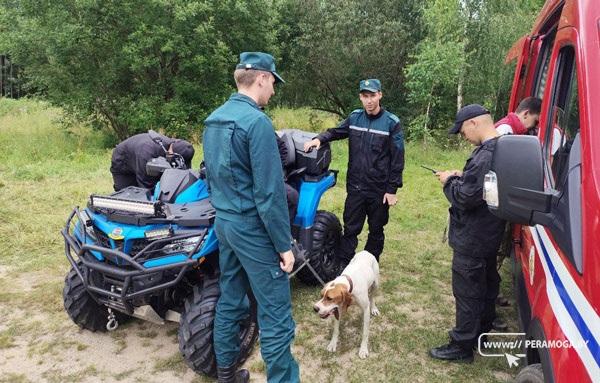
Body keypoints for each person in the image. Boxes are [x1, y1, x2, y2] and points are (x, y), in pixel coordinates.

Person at [202, 52, 299, 383]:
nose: (273, 91)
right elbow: (270, 194)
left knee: (231, 297)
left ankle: (226, 375)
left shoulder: (214, 119)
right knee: (276, 312)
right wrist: (284, 245)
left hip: (224, 224)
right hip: (250, 227)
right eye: (273, 82)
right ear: (262, 78)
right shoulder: (257, 123)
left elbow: (211, 174)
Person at [429, 104, 506, 363]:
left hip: (472, 236)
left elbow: (465, 198)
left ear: (474, 123)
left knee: (467, 291)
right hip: (490, 232)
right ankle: (482, 331)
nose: (464, 137)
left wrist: (449, 182)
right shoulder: (504, 148)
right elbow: (485, 184)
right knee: (486, 284)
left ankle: (461, 346)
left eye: (463, 131)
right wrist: (461, 174)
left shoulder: (484, 155)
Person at [303, 79, 404, 268]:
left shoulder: (391, 123)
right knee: (350, 229)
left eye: (372, 95)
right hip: (356, 187)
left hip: (379, 190)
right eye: (365, 96)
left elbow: (398, 159)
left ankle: (368, 267)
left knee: (376, 230)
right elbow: (336, 132)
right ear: (360, 97)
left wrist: (392, 189)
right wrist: (319, 139)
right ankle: (343, 267)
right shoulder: (355, 118)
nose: (369, 101)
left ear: (380, 95)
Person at [110, 130, 194, 191]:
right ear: (171, 152)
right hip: (122, 161)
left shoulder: (176, 147)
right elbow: (145, 184)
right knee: (128, 196)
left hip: (143, 157)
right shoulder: (147, 152)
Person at [276, 132, 300, 225]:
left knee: (291, 196)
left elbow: (282, 149)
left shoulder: (262, 128)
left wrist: (275, 172)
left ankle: (284, 235)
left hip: (266, 176)